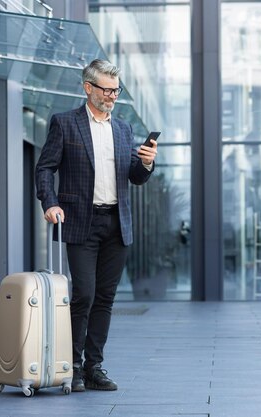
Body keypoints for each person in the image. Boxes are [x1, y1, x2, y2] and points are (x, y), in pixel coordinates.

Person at [35, 59, 157, 392]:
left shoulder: (122, 129)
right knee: (83, 296)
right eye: (106, 89)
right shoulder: (65, 124)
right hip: (81, 223)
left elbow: (134, 175)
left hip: (117, 224)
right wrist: (50, 202)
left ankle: (94, 366)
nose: (112, 96)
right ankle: (72, 366)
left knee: (105, 298)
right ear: (88, 87)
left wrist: (146, 163)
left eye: (116, 90)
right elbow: (45, 168)